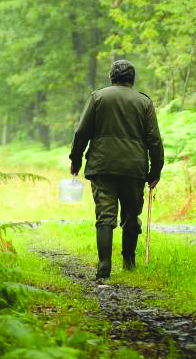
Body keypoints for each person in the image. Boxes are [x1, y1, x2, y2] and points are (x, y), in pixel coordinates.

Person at [69, 59, 164, 280]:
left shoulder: (98, 97)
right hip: (133, 169)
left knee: (105, 215)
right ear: (132, 79)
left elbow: (81, 132)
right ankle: (129, 262)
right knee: (131, 216)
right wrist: (155, 170)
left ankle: (104, 264)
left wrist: (76, 159)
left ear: (111, 77)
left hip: (102, 167)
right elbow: (154, 140)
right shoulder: (144, 103)